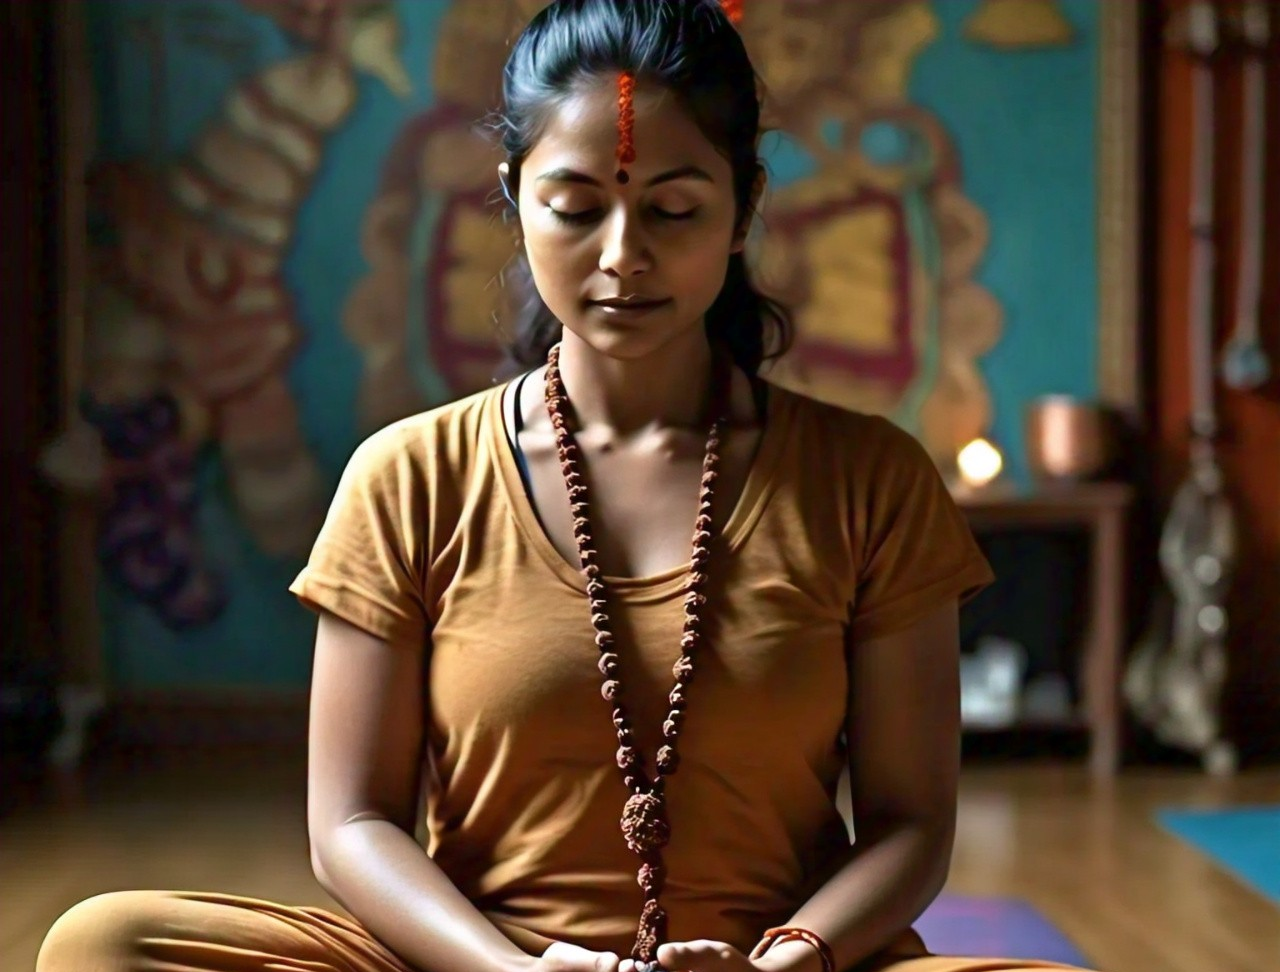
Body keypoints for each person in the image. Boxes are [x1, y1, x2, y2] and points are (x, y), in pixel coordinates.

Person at [36, 2, 1102, 971]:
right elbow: (350, 825)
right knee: (107, 945)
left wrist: (790, 961)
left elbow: (913, 824)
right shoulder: (410, 476)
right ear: (514, 200)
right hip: (478, 966)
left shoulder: (867, 478)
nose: (623, 255)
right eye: (575, 207)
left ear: (742, 211)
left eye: (674, 211)